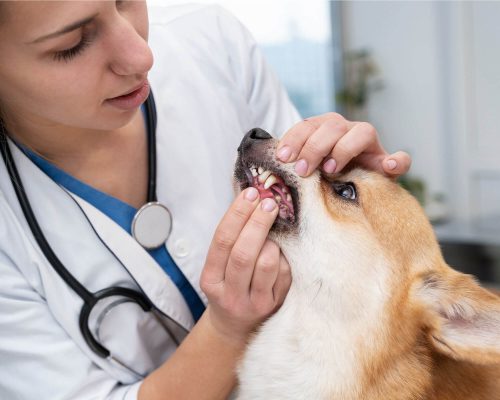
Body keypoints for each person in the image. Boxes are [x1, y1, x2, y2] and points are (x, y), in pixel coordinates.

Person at [0, 1, 411, 399]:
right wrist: (226, 328)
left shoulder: (210, 43)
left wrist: (351, 180)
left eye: (126, 0)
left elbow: (321, 245)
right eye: (71, 44)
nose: (142, 55)